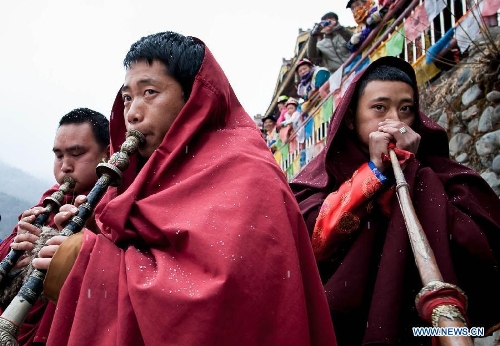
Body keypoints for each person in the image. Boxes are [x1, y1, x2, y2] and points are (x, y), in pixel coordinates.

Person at [32, 31, 337, 345]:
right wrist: (87, 234)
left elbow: (218, 300)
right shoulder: (142, 178)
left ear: (193, 98)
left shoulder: (248, 173)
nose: (132, 112)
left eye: (149, 92)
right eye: (127, 98)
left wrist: (86, 264)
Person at [290, 56, 500, 345]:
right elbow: (309, 241)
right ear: (351, 118)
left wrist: (412, 170)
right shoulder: (320, 175)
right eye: (379, 107)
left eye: (406, 109)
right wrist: (373, 173)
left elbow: (480, 238)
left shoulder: (436, 171)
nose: (395, 122)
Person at [0, 108, 109, 345]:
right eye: (58, 156)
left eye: (77, 154)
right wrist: (16, 252)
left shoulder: (113, 204)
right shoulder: (49, 200)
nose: (65, 166)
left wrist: (84, 239)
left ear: (107, 154)